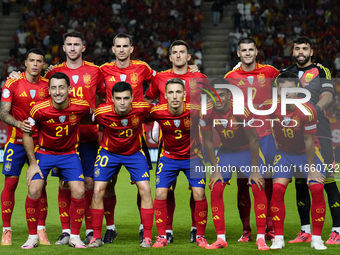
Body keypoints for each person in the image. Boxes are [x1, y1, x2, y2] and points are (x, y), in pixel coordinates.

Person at [44, 31, 105, 245]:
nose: (72, 48)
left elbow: (108, 95)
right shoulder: (55, 72)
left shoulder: (95, 71)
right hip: (63, 140)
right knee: (64, 185)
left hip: (88, 137)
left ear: (83, 47)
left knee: (88, 184)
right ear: (63, 47)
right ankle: (66, 231)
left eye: (76, 44)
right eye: (68, 44)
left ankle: (89, 230)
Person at [144, 40, 207, 243]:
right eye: (175, 53)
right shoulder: (160, 78)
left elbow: (212, 104)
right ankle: (166, 231)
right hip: (168, 140)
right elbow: (147, 102)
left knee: (196, 190)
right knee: (165, 190)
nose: (178, 56)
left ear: (189, 57)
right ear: (170, 57)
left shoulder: (200, 77)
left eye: (182, 52)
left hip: (194, 143)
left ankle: (196, 229)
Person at [21, 72, 90, 249]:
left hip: (70, 154)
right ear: (49, 90)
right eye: (53, 88)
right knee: (35, 190)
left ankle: (74, 236)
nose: (58, 92)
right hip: (44, 154)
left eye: (61, 87)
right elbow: (27, 134)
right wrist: (33, 163)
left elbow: (94, 119)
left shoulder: (81, 106)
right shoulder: (38, 108)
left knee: (79, 191)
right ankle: (32, 237)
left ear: (69, 89)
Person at [259, 71, 327, 250]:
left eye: (290, 90)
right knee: (278, 189)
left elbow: (309, 141)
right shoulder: (271, 107)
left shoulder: (307, 110)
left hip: (308, 153)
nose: (286, 94)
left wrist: (311, 169)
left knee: (317, 188)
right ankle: (278, 238)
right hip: (285, 153)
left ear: (298, 90)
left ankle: (317, 239)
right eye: (282, 90)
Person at [200, 79, 269, 251]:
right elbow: (208, 141)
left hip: (247, 150)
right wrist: (215, 170)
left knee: (257, 185)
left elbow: (254, 139)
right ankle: (220, 238)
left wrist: (254, 170)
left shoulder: (240, 109)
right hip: (227, 152)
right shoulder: (206, 111)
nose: (217, 98)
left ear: (229, 95)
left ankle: (261, 238)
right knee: (215, 187)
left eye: (221, 94)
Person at [283, 36, 340, 244]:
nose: (300, 51)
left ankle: (338, 229)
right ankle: (305, 230)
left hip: (321, 130)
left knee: (328, 180)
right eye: (297, 48)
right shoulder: (285, 73)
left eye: (304, 48)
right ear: (293, 50)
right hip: (296, 134)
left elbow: (328, 96)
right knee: (301, 182)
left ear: (311, 51)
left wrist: (312, 111)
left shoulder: (321, 71)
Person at [100, 33, 155, 242]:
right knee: (107, 185)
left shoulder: (142, 68)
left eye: (125, 46)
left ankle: (144, 226)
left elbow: (162, 82)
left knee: (143, 186)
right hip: (110, 134)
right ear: (113, 49)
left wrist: (148, 104)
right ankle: (111, 227)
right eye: (118, 46)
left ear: (131, 48)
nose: (122, 50)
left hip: (136, 135)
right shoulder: (103, 70)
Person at [224, 38, 279, 242]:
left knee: (268, 182)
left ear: (256, 52)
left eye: (250, 50)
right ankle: (246, 229)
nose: (247, 53)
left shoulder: (271, 72)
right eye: (243, 50)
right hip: (242, 139)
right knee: (242, 185)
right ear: (238, 54)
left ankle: (270, 227)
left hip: (267, 136)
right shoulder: (230, 77)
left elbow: (287, 87)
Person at [88, 82, 154, 248]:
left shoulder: (143, 108)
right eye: (118, 98)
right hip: (108, 153)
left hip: (134, 153)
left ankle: (147, 236)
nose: (122, 102)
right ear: (112, 99)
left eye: (126, 98)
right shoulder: (102, 112)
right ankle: (96, 237)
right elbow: (82, 118)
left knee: (145, 189)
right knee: (98, 190)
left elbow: (162, 112)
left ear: (132, 98)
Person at [0, 48, 50, 246]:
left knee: (40, 186)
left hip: (40, 143)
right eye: (32, 60)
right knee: (10, 184)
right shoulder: (12, 82)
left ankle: (41, 229)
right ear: (25, 62)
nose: (35, 64)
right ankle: (6, 230)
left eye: (39, 61)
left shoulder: (48, 84)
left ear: (43, 65)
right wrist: (19, 124)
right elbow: (3, 113)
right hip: (16, 141)